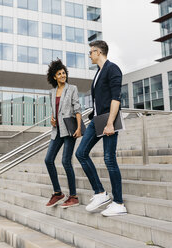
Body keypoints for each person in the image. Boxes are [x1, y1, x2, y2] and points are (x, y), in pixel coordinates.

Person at [75, 40, 127, 217]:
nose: (89, 55)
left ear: (98, 52)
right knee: (81, 153)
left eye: (90, 52)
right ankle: (100, 193)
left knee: (109, 159)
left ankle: (119, 203)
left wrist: (111, 122)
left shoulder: (112, 69)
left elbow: (116, 98)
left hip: (109, 119)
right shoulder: (98, 72)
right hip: (97, 119)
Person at [44, 59, 82, 208]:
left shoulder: (72, 88)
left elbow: (77, 108)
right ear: (54, 77)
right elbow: (55, 112)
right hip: (57, 131)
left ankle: (73, 196)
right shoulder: (52, 92)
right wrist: (52, 120)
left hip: (70, 130)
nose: (62, 75)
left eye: (64, 73)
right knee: (48, 160)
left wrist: (79, 127)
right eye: (59, 73)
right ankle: (58, 193)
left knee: (66, 161)